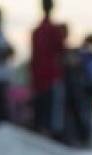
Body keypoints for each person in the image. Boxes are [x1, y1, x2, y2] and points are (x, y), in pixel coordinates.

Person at [30, 0, 68, 139]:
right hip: (51, 78)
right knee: (53, 118)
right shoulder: (53, 30)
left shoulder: (36, 31)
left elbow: (34, 57)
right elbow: (62, 52)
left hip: (38, 79)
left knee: (40, 116)